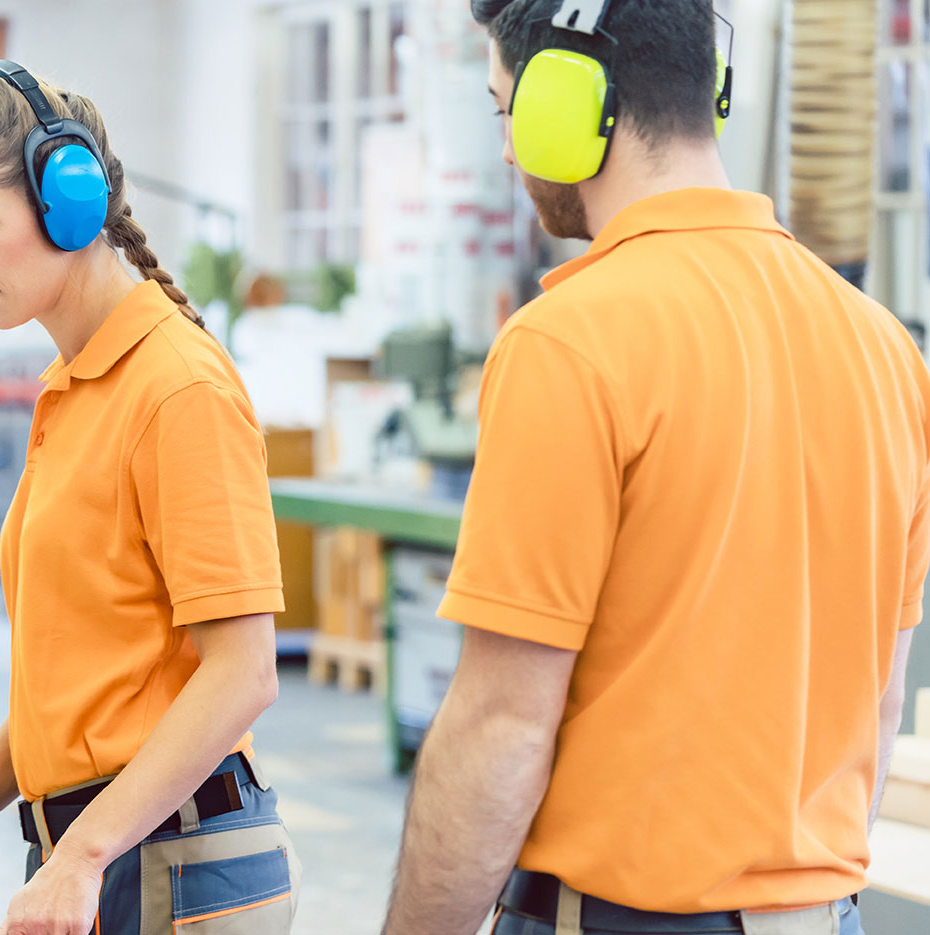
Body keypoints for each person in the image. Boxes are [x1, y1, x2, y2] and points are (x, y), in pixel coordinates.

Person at [381, 2, 924, 934]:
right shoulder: (886, 351)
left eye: (503, 109)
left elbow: (500, 725)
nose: (508, 153)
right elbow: (877, 697)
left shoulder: (570, 341)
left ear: (565, 100)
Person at [0, 60, 299, 935]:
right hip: (107, 853)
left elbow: (242, 672)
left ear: (68, 199)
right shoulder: (76, 386)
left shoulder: (175, 388)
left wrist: (81, 854)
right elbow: (68, 699)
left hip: (171, 865)